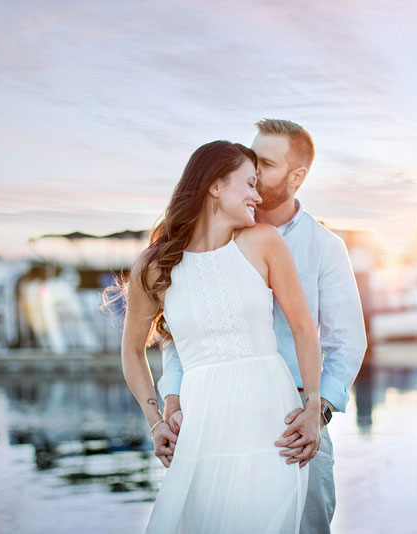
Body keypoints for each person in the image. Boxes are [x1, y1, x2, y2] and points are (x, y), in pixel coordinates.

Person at [158, 120, 367, 533]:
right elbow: (178, 336)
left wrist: (317, 413)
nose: (253, 167)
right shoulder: (202, 241)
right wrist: (172, 398)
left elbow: (347, 345)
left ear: (296, 177)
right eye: (251, 159)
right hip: (217, 429)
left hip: (295, 431)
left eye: (266, 164)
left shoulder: (324, 247)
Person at [120, 140, 323, 533]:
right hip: (202, 427)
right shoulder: (155, 266)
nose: (257, 195)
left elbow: (303, 328)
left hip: (271, 424)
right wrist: (155, 421)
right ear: (215, 185)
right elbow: (131, 351)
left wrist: (313, 407)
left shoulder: (264, 242)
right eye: (249, 183)